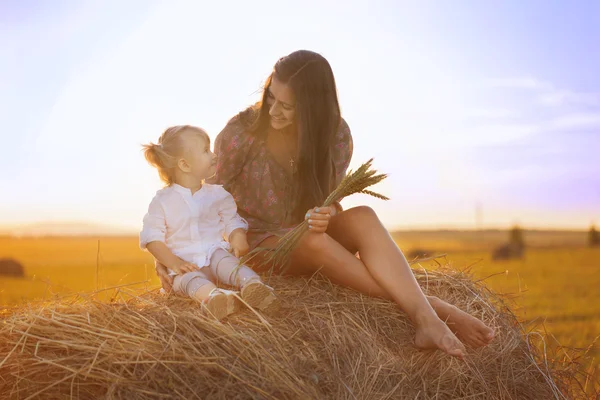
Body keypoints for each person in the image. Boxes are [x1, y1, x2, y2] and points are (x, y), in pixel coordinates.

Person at [155, 50, 495, 357]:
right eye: (271, 97)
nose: (274, 110)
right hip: (253, 243)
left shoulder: (336, 135)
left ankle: (423, 311)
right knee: (309, 239)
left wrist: (326, 213)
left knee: (364, 216)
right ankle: (427, 308)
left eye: (287, 105)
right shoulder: (242, 132)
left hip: (304, 233)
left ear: (314, 106)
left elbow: (330, 200)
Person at [140, 125, 278, 320]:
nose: (214, 155)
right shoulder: (162, 201)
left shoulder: (218, 195)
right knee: (188, 280)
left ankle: (253, 286)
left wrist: (237, 236)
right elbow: (152, 238)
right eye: (206, 150)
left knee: (228, 263)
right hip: (185, 265)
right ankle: (214, 298)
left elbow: (231, 220)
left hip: (214, 253)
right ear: (185, 165)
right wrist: (174, 263)